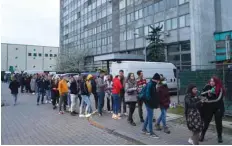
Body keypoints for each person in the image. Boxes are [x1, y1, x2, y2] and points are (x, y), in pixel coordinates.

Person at [200, 76, 225, 143]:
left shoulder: (220, 88)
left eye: (213, 81)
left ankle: (219, 136)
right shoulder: (207, 86)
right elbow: (202, 94)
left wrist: (207, 99)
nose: (211, 82)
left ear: (216, 82)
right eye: (211, 81)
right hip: (209, 107)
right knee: (206, 121)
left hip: (218, 107)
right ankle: (202, 134)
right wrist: (205, 96)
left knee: (218, 122)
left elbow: (218, 99)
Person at [142, 73, 160, 138]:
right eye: (158, 80)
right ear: (156, 80)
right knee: (150, 118)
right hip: (149, 103)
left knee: (148, 116)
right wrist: (152, 104)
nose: (159, 82)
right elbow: (148, 96)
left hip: (150, 103)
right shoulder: (150, 84)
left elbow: (154, 95)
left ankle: (144, 129)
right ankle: (151, 132)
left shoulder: (153, 84)